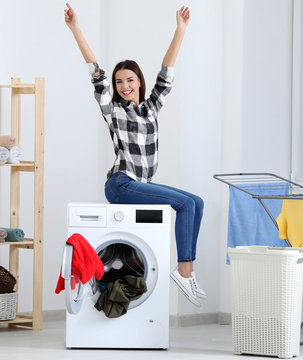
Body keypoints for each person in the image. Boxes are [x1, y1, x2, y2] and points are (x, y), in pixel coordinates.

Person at [64, 3, 206, 307]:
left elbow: (166, 72)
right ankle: (183, 271)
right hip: (121, 184)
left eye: (129, 80)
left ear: (139, 81)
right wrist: (76, 28)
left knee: (196, 203)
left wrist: (180, 29)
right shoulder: (113, 110)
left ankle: (187, 271)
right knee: (183, 204)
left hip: (138, 185)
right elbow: (95, 72)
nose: (124, 86)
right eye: (119, 82)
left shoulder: (151, 108)